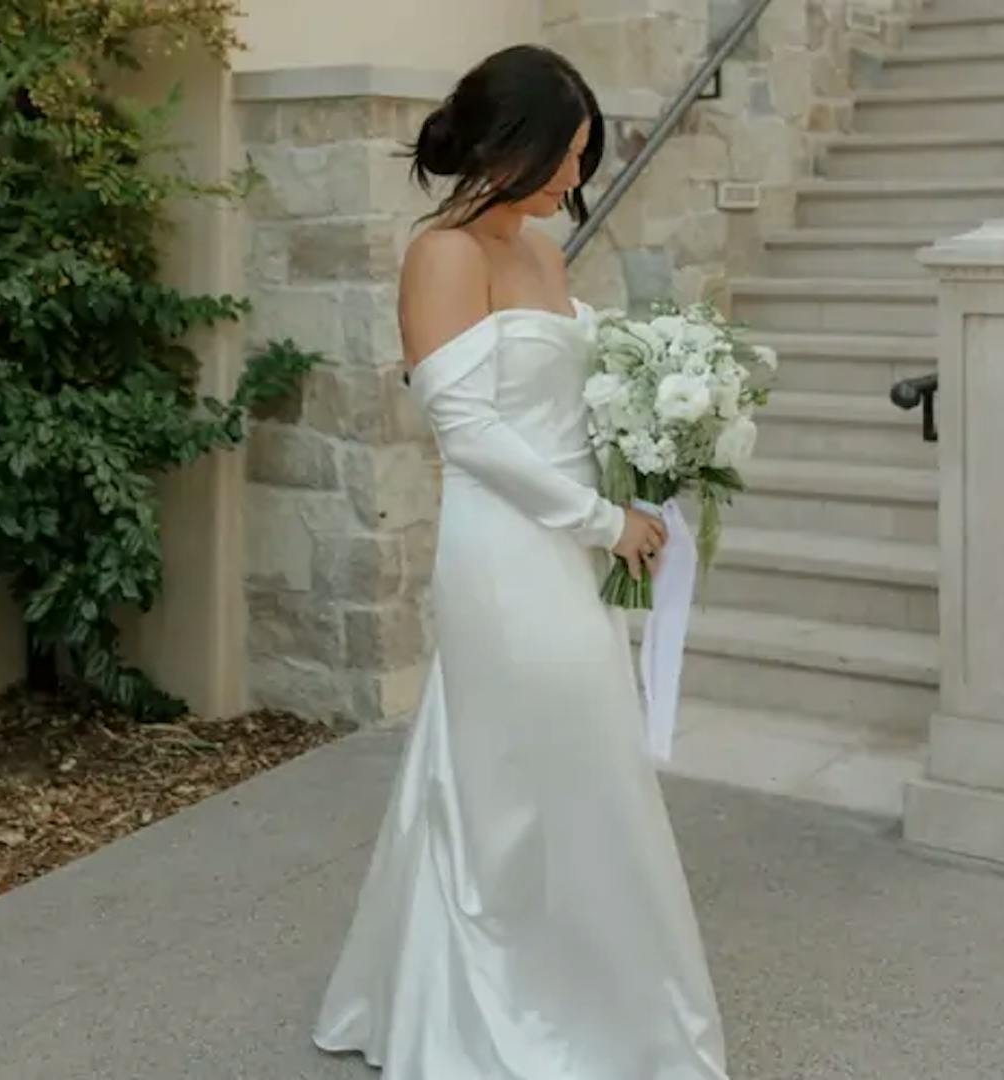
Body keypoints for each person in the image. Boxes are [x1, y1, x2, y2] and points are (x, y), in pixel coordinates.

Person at [312, 44, 728, 1079]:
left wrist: (652, 458)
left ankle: (580, 1005)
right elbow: (471, 434)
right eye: (563, 153)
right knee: (532, 770)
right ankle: (509, 1013)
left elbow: (565, 400)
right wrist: (601, 521)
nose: (572, 178)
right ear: (506, 144)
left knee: (554, 768)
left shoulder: (540, 247)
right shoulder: (445, 253)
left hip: (571, 538)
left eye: (585, 155)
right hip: (505, 549)